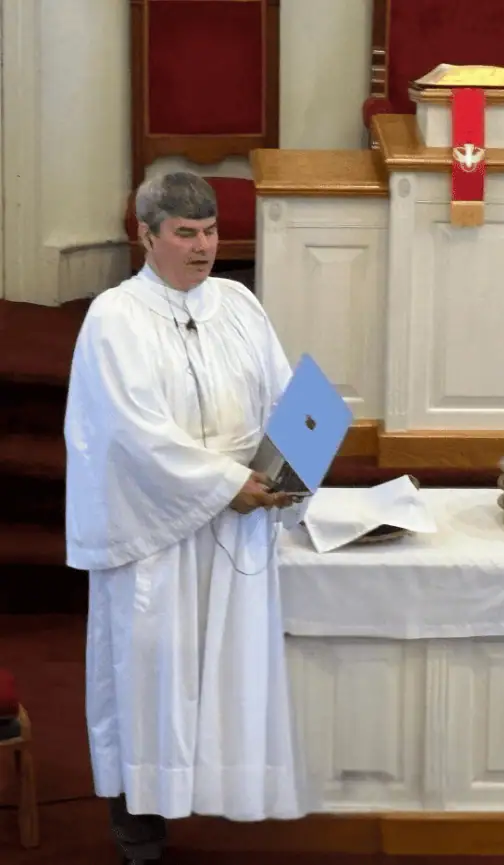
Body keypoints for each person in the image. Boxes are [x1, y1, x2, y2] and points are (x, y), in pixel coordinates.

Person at [65, 171, 308, 864]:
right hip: (156, 533)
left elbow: (283, 394)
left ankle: (225, 796)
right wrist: (227, 482)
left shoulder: (237, 303)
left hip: (238, 514)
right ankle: (138, 833)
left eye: (210, 232)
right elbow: (129, 432)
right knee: (148, 680)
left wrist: (290, 468)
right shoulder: (114, 317)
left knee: (226, 671)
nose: (203, 247)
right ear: (146, 236)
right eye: (185, 234)